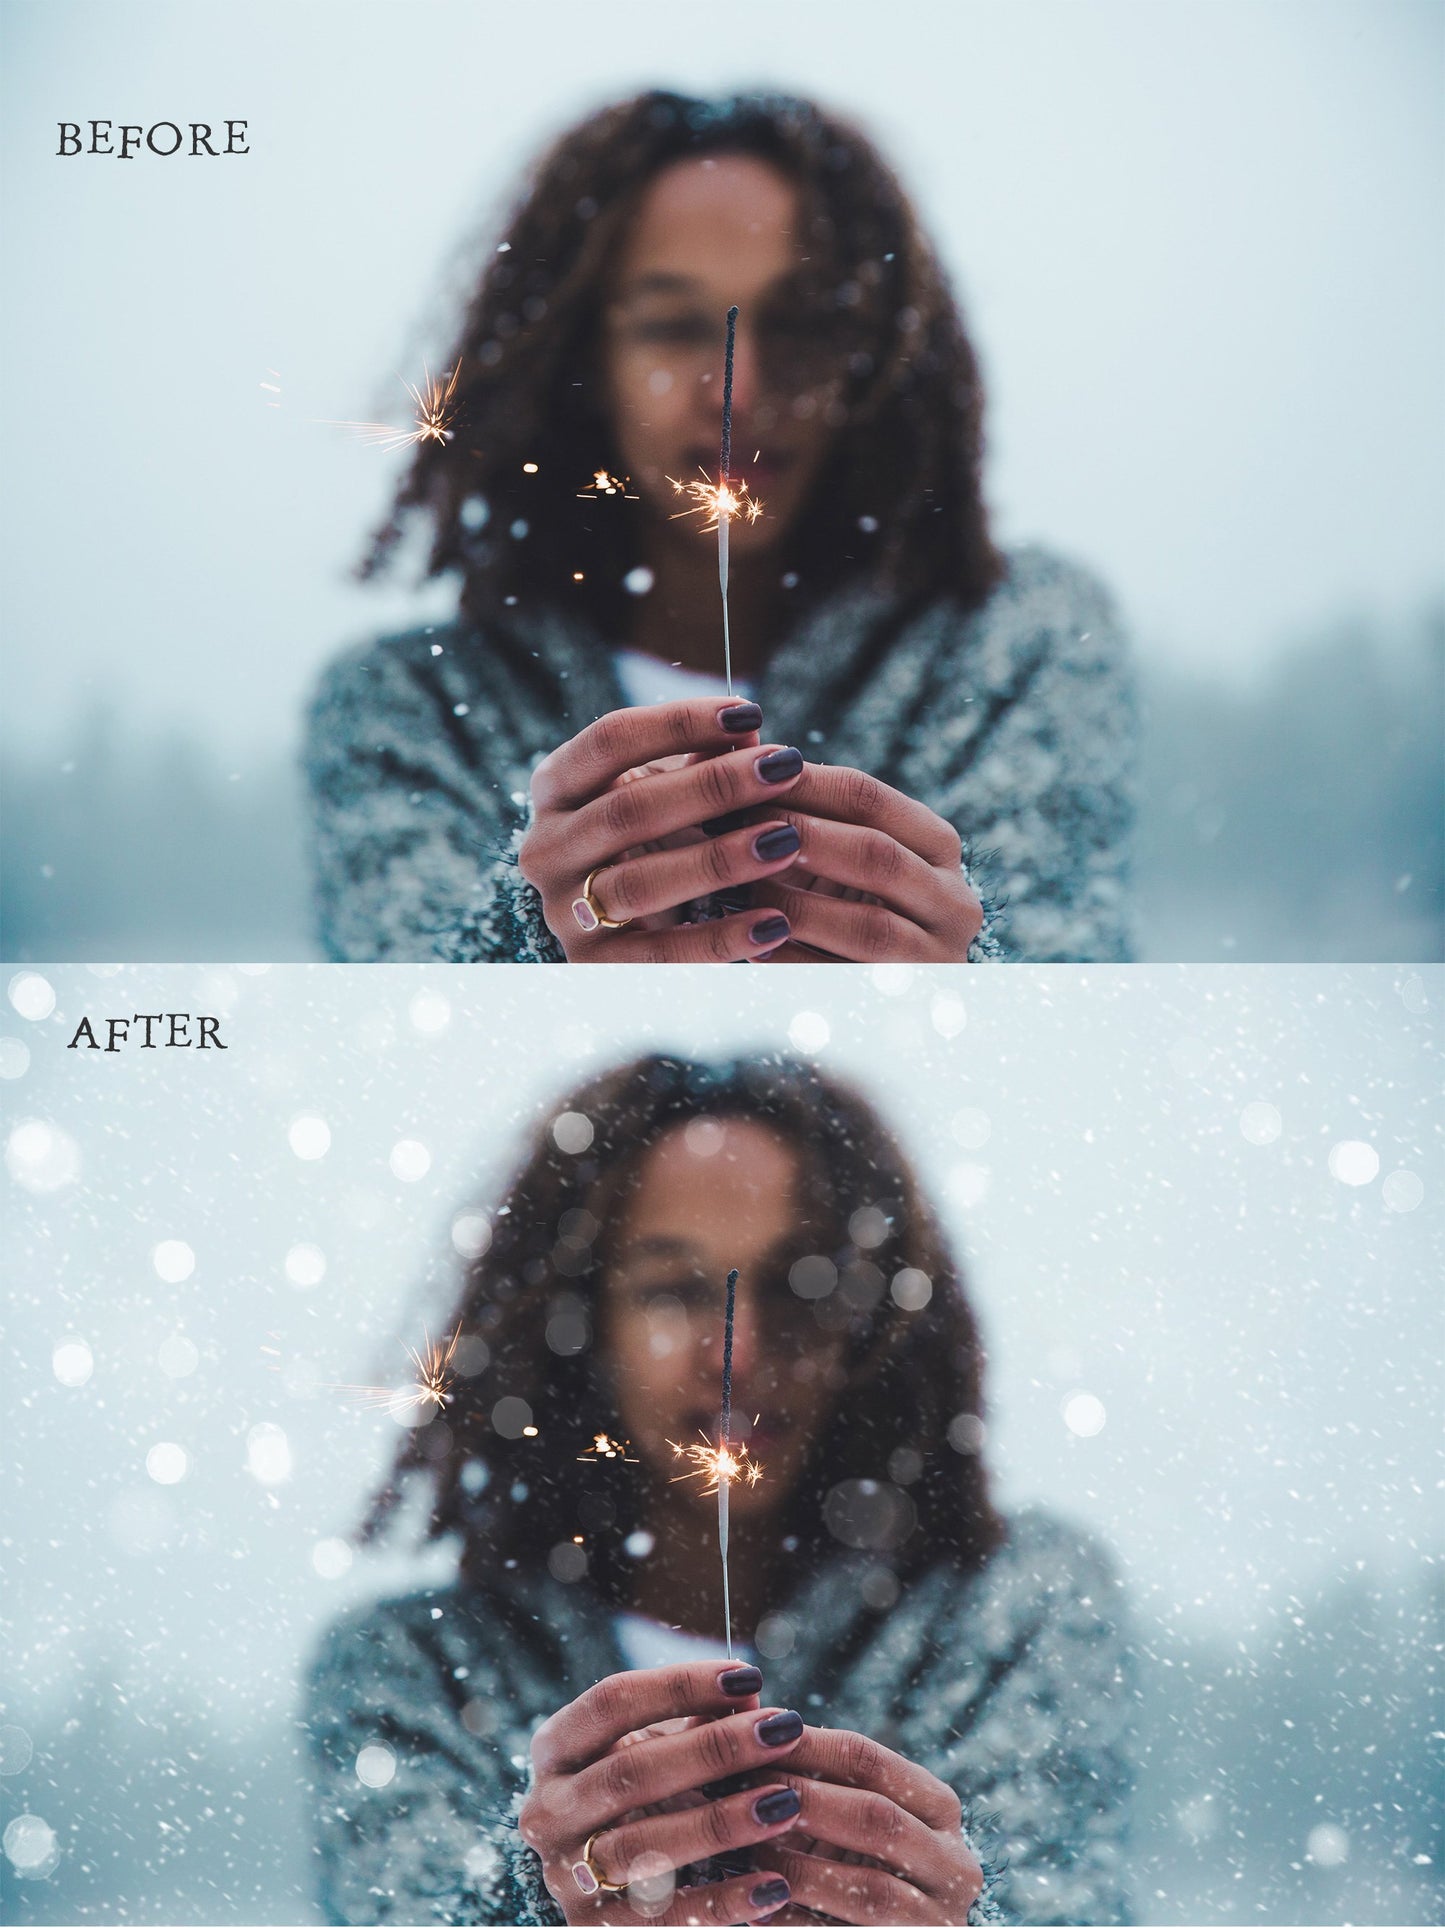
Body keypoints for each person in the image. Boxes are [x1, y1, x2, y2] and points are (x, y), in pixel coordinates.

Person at [304, 1055, 1136, 1926]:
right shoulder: (414, 1670)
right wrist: (531, 1907)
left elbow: (1064, 1898)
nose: (736, 1355)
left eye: (799, 1286)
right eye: (674, 1289)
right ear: (580, 1327)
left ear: (878, 1320)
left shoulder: (1015, 1602)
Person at [304, 92, 1134, 965]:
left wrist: (964, 976)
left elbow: (1077, 988)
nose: (737, 394)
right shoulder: (412, 707)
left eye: (800, 324)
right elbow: (401, 1031)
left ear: (878, 356)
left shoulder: (1019, 640)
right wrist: (524, 945)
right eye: (672, 326)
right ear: (581, 364)